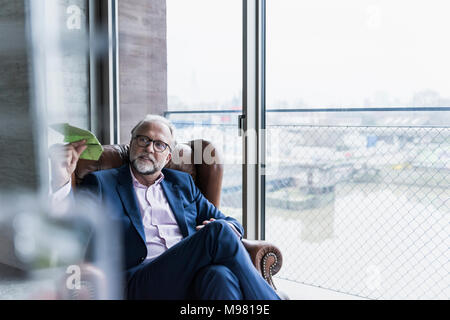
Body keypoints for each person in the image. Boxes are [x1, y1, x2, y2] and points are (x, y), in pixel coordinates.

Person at [50, 114, 280, 300]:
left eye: (159, 144)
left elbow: (231, 223)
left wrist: (223, 229)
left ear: (168, 156)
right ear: (131, 145)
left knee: (219, 275)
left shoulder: (183, 184)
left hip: (189, 275)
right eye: (143, 140)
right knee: (219, 232)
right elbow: (72, 226)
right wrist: (60, 181)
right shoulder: (102, 182)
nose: (149, 148)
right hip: (137, 282)